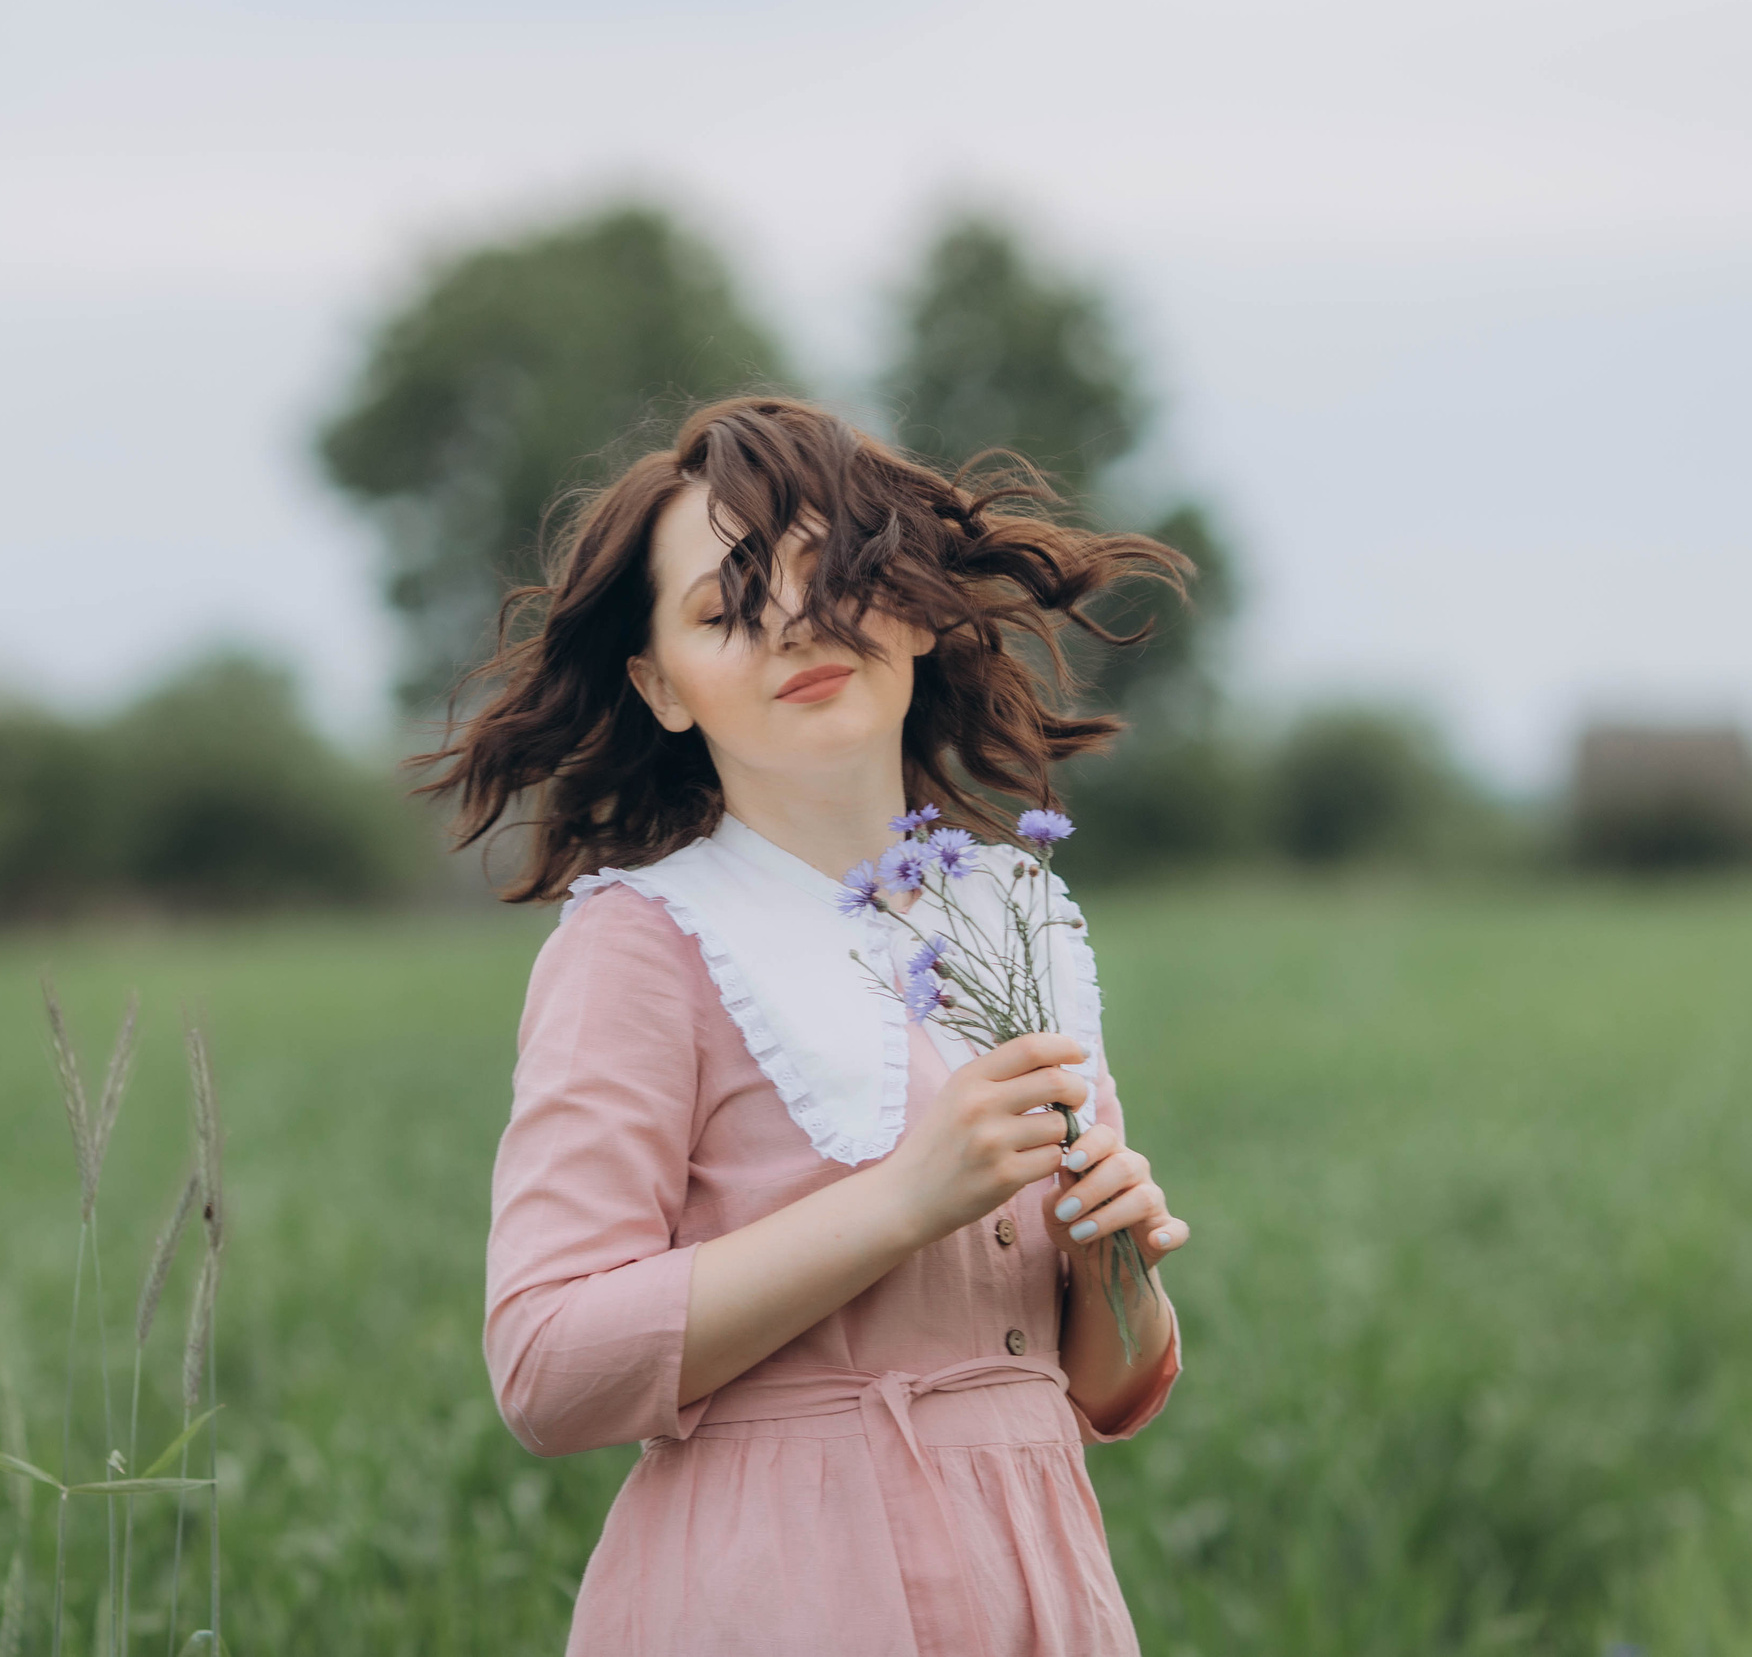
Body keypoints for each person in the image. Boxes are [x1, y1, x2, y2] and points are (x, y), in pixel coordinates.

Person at [419, 397, 1193, 1656]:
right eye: (724, 611)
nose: (790, 626)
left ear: (921, 609)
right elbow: (546, 1363)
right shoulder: (645, 940)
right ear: (662, 687)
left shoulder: (1021, 917)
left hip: (1040, 1584)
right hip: (775, 1596)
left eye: (830, 575)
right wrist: (902, 1200)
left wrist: (1118, 1259)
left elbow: (1101, 1385)